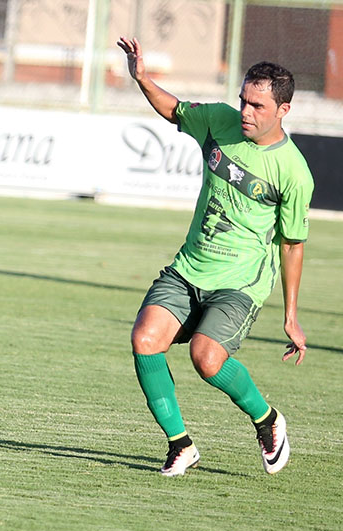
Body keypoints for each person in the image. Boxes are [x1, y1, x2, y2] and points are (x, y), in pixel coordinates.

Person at [117, 37, 313, 476]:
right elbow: (176, 110)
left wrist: (291, 315)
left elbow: (292, 243)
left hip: (239, 283)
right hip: (190, 266)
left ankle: (267, 420)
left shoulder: (295, 173)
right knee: (145, 339)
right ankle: (181, 444)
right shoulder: (218, 123)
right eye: (243, 100)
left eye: (258, 106)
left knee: (206, 358)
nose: (245, 111)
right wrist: (142, 78)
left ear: (283, 110)